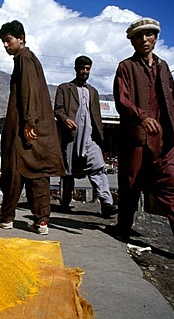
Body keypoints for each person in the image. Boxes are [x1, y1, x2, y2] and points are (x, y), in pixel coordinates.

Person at [112, 17, 174, 255]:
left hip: (163, 140)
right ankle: (123, 227)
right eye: (139, 36)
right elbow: (122, 101)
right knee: (130, 186)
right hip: (136, 138)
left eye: (149, 35)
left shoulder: (164, 67)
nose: (144, 40)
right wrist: (142, 117)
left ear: (155, 38)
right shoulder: (126, 67)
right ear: (132, 41)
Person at [0, 20, 65, 235]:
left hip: (26, 127)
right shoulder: (29, 58)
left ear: (21, 38)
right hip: (38, 127)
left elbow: (28, 89)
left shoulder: (23, 57)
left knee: (13, 172)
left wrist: (29, 121)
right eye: (3, 42)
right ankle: (41, 222)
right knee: (37, 173)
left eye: (8, 40)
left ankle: (6, 217)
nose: (5, 45)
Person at [54, 55, 118, 218]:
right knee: (68, 173)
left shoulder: (93, 92)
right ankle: (65, 203)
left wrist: (100, 136)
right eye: (82, 68)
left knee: (98, 167)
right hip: (71, 138)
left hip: (90, 138)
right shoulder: (64, 88)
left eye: (87, 69)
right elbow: (58, 109)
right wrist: (66, 119)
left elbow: (96, 116)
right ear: (76, 69)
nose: (84, 71)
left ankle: (106, 204)